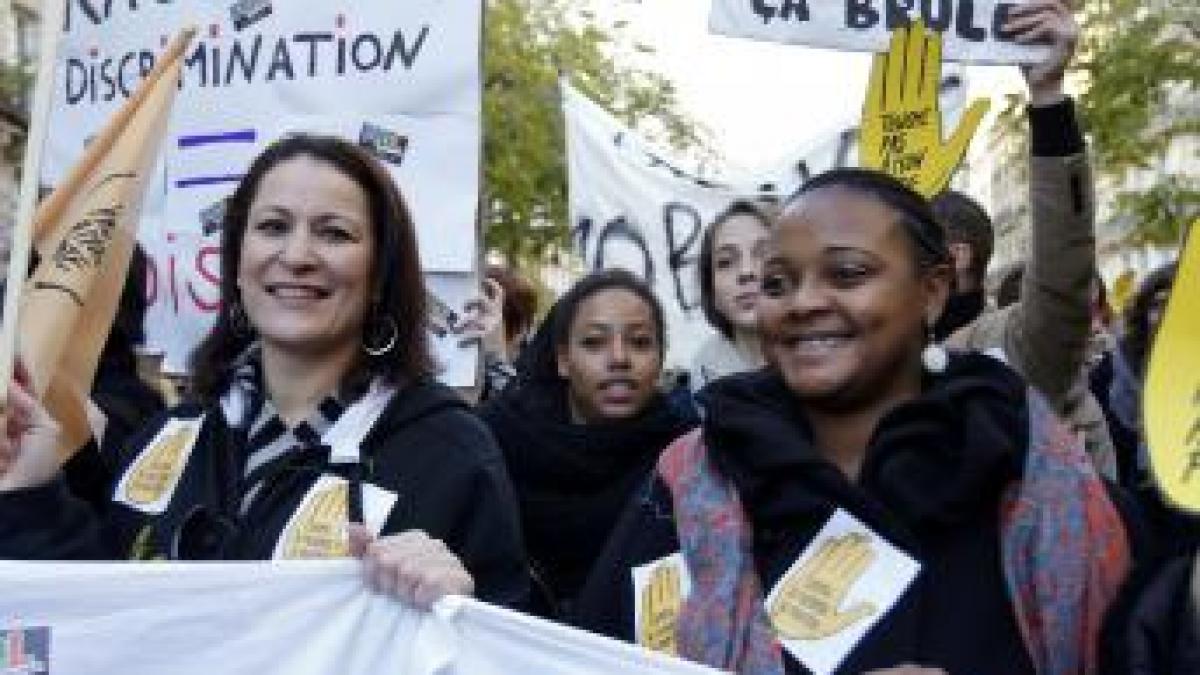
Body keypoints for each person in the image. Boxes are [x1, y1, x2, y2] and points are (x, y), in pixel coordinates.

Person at [573, 168, 1131, 674]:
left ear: (933, 293)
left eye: (846, 274)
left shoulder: (1029, 467)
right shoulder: (690, 484)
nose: (802, 302)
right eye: (777, 283)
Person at [0, 134, 528, 609]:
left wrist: (465, 607)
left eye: (335, 233)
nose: (297, 255)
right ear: (237, 259)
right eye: (273, 227)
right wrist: (33, 494)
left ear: (380, 272)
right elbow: (98, 619)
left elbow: (514, 648)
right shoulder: (169, 435)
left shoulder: (454, 455)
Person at [932, 0, 1117, 477]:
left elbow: (1064, 261)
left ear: (953, 260)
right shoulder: (871, 359)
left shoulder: (1020, 345)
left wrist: (1049, 99)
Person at [479, 269, 698, 619]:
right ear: (563, 359)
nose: (619, 359)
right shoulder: (496, 442)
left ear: (661, 358)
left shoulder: (692, 457)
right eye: (595, 343)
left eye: (640, 342)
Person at [689, 200, 773, 392]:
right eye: (726, 262)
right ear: (711, 291)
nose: (746, 272)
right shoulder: (703, 371)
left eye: (763, 254)